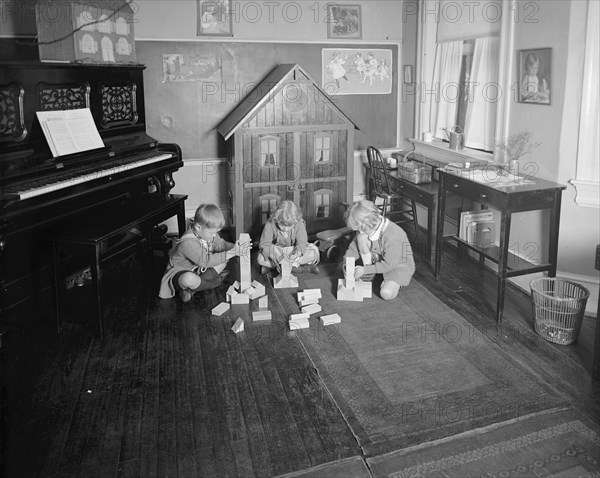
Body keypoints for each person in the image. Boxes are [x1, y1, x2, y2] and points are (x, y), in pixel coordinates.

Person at [159, 203, 238, 303]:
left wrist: (234, 247)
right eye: (211, 232)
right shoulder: (187, 243)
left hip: (198, 269)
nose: (214, 235)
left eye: (216, 232)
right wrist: (232, 252)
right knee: (188, 278)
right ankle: (215, 282)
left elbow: (221, 245)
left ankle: (191, 291)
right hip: (181, 272)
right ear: (198, 227)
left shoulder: (207, 234)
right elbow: (205, 261)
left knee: (223, 260)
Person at [343, 200, 415, 300]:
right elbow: (353, 248)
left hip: (397, 267)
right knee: (361, 237)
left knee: (386, 293)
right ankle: (372, 271)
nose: (360, 231)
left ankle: (393, 282)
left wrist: (364, 270)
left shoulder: (393, 235)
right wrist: (347, 263)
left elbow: (389, 264)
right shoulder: (369, 227)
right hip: (380, 260)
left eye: (361, 229)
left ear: (368, 223)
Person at [257, 200, 320, 275]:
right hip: (278, 252)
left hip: (293, 252)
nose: (285, 229)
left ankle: (276, 268)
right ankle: (299, 269)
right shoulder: (270, 223)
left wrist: (295, 255)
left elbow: (302, 243)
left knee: (313, 253)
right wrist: (273, 257)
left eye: (289, 226)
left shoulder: (299, 223)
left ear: (296, 221)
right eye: (282, 225)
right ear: (276, 219)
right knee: (260, 259)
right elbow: (265, 244)